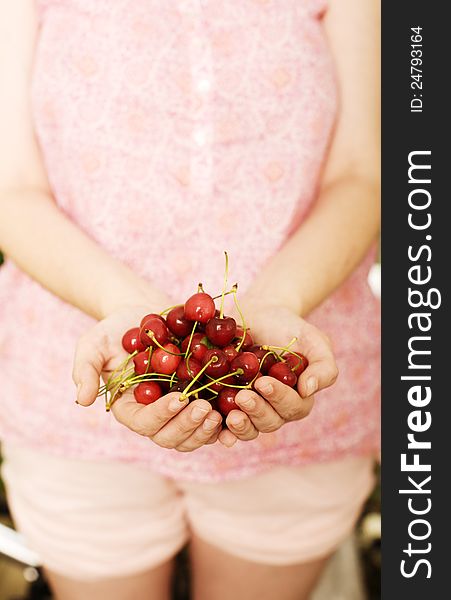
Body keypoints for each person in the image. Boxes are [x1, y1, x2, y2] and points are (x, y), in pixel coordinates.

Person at [0, 0, 380, 598]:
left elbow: (363, 172)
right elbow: (13, 188)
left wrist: (280, 298)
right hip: (77, 400)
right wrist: (123, 304)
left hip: (294, 404)